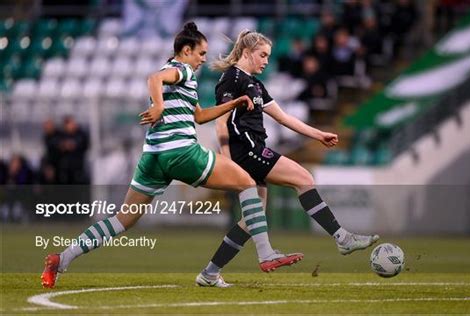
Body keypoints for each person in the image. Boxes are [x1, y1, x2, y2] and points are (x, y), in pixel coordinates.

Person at [41, 22, 302, 289]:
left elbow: (199, 117)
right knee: (248, 182)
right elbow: (153, 78)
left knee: (122, 219)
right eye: (201, 53)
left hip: (152, 159)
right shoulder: (182, 70)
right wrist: (158, 105)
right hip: (180, 152)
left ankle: (61, 259)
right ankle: (265, 253)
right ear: (186, 50)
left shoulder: (179, 76)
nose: (203, 59)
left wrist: (233, 103)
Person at [195, 30, 379, 287]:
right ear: (247, 52)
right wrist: (226, 158)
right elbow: (221, 123)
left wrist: (318, 134)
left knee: (251, 220)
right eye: (263, 55)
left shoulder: (256, 84)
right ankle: (342, 238)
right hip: (246, 150)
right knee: (304, 178)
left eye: (268, 56)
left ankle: (210, 273)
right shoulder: (231, 78)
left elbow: (284, 118)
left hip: (253, 148)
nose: (266, 61)